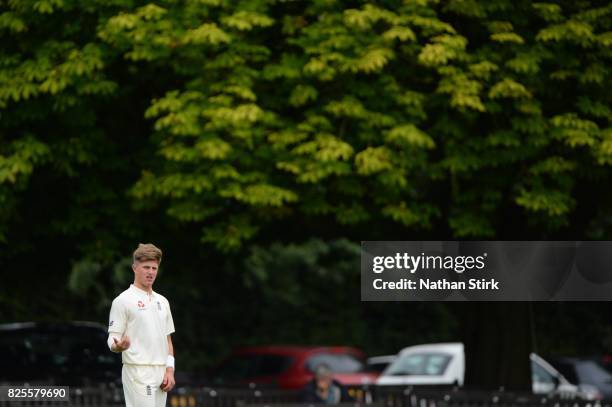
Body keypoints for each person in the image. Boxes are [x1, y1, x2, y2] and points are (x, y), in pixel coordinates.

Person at [107, 243, 176, 407]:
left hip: (161, 372)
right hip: (137, 370)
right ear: (134, 268)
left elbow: (167, 340)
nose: (151, 272)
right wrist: (118, 347)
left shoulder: (163, 301)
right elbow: (113, 337)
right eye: (146, 267)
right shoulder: (122, 301)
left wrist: (170, 370)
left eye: (154, 268)